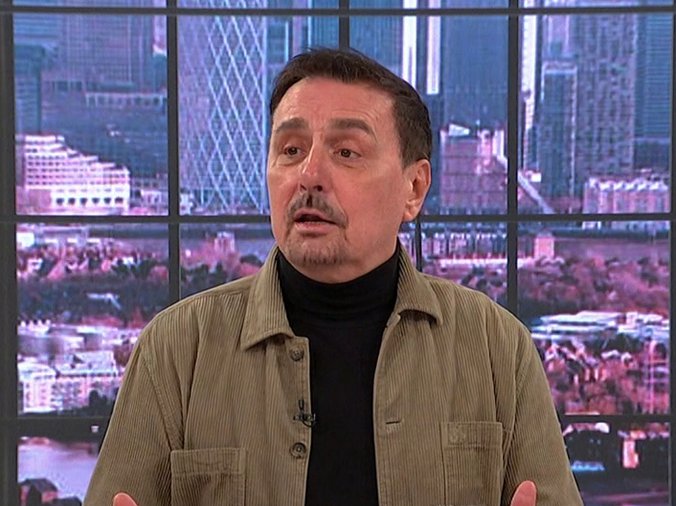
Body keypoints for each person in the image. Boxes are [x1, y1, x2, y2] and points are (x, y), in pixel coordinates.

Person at [84, 48, 583, 506]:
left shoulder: (496, 347)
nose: (309, 175)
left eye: (346, 152)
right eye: (291, 149)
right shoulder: (177, 349)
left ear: (414, 188)